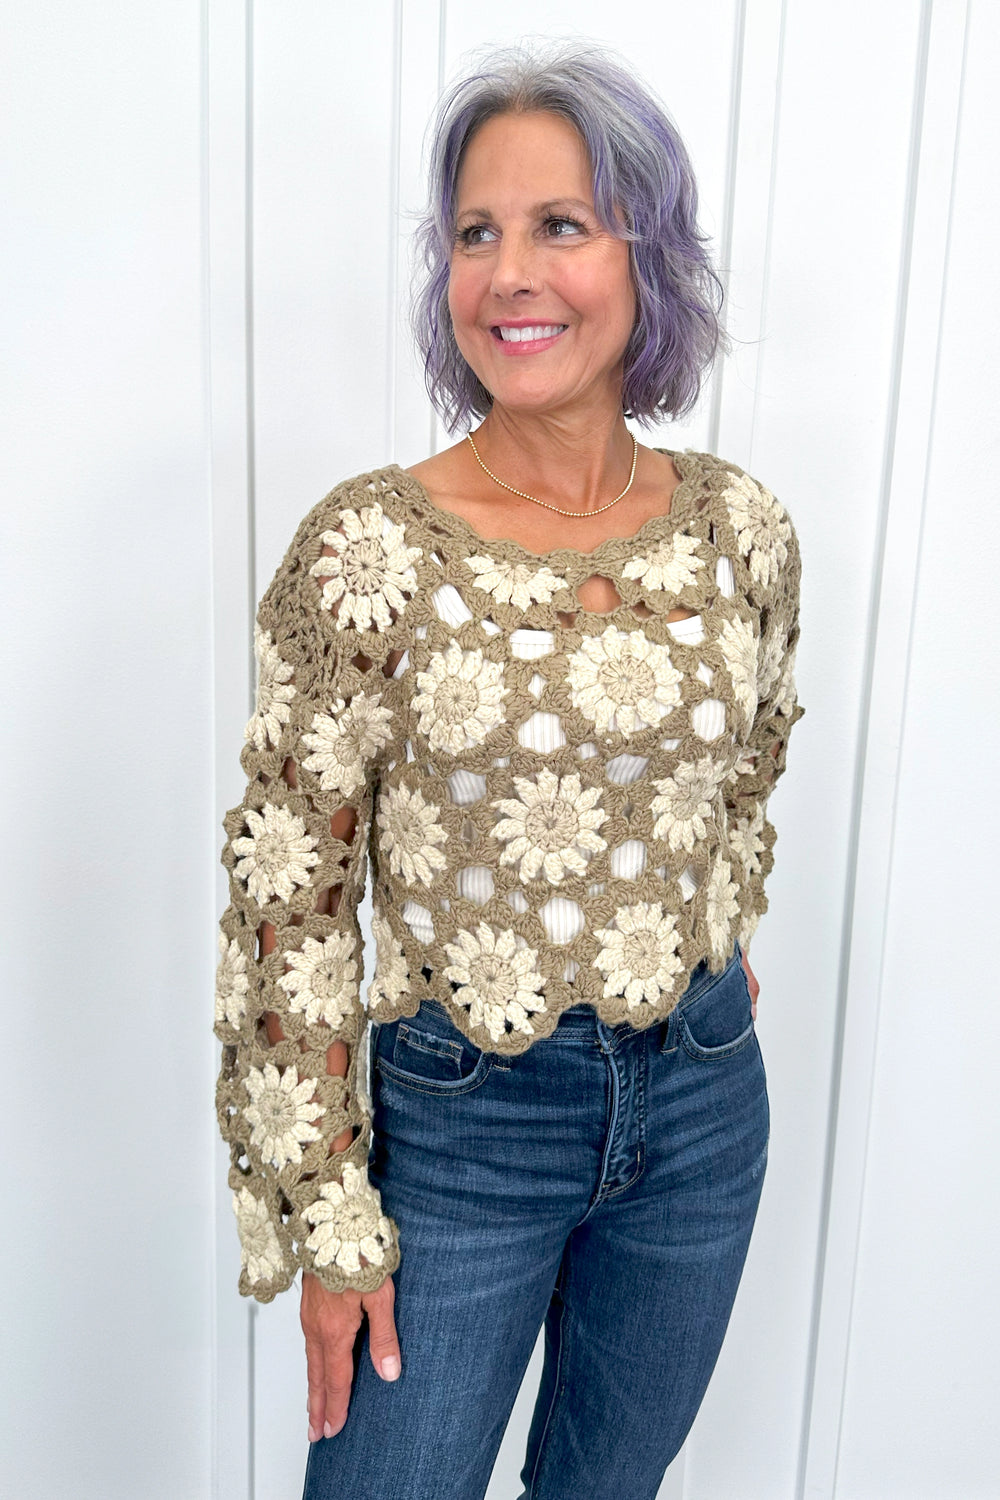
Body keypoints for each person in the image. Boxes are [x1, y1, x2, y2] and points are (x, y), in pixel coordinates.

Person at [213, 38, 804, 1500]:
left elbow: (748, 768)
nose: (509, 275)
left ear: (649, 257)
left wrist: (712, 931)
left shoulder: (740, 532)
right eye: (476, 233)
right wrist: (331, 1218)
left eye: (561, 225)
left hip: (703, 1107)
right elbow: (290, 903)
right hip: (461, 1127)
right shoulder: (372, 549)